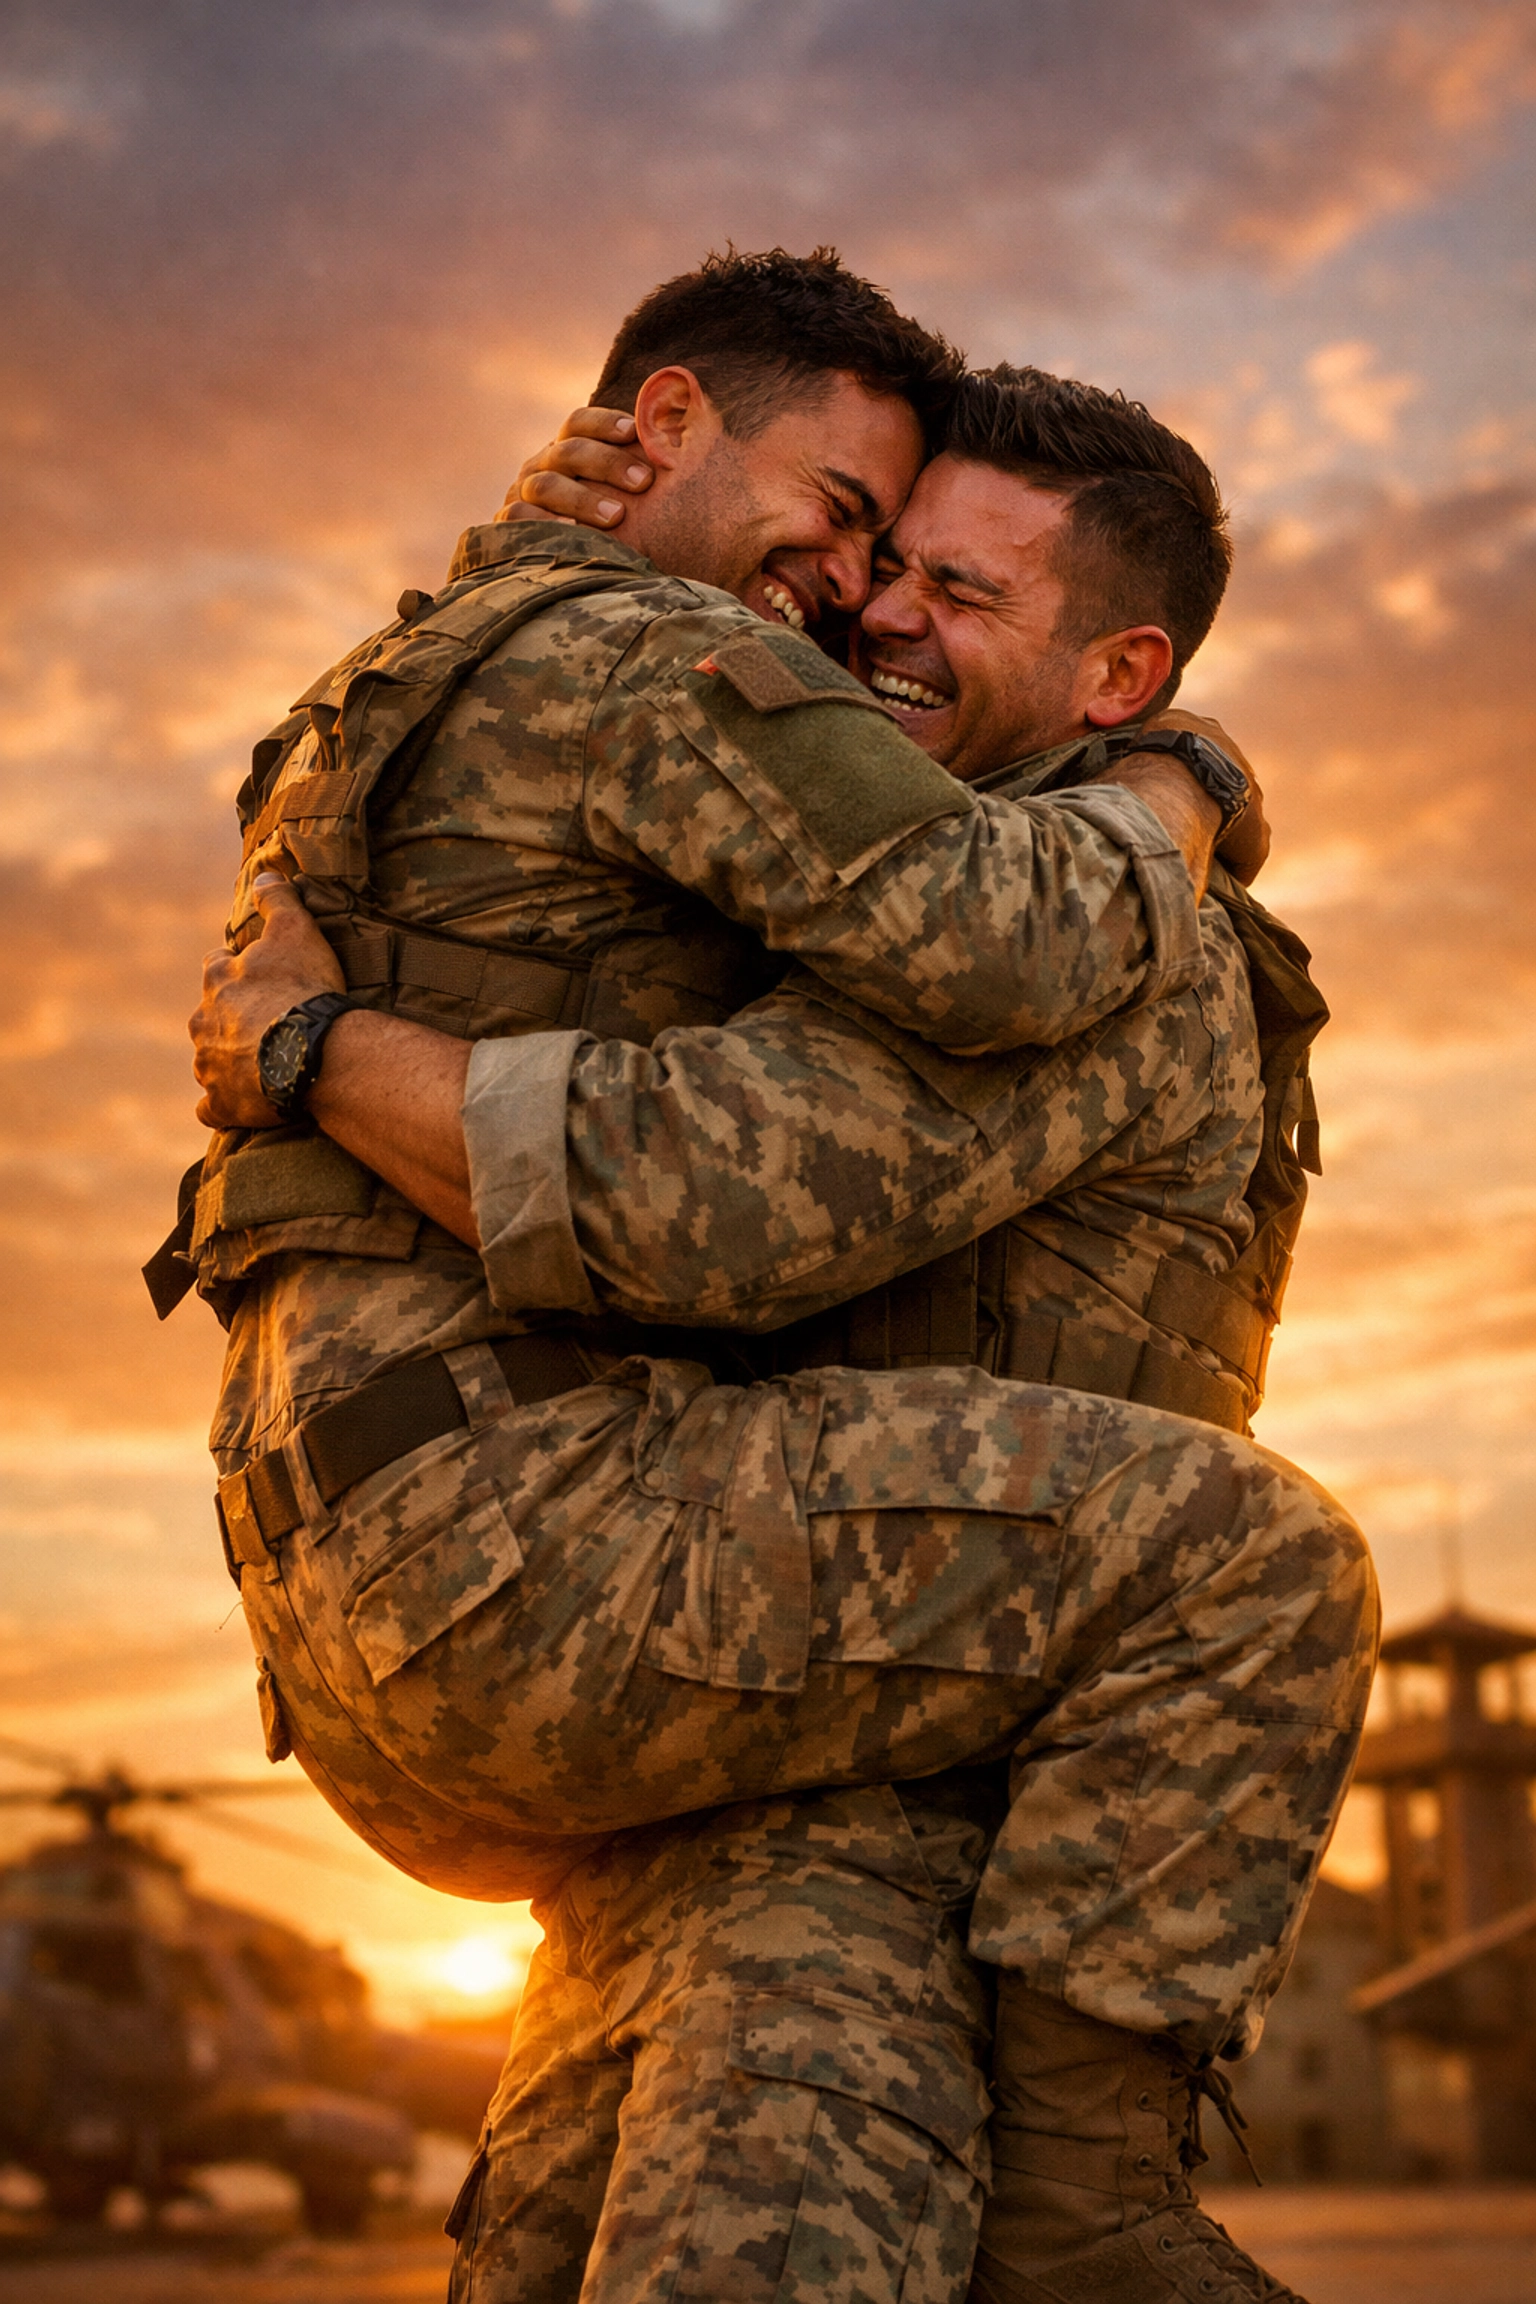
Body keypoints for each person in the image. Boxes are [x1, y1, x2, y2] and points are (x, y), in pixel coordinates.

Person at [187, 324, 1373, 2302]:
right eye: (874, 553)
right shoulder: (796, 837)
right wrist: (568, 544)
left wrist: (313, 1045)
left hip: (836, 1823)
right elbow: (496, 810)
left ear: (1118, 677)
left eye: (953, 587)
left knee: (1263, 1560)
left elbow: (696, 1199)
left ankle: (1091, 2211)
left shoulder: (1100, 932)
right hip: (720, 1753)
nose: (874, 612)